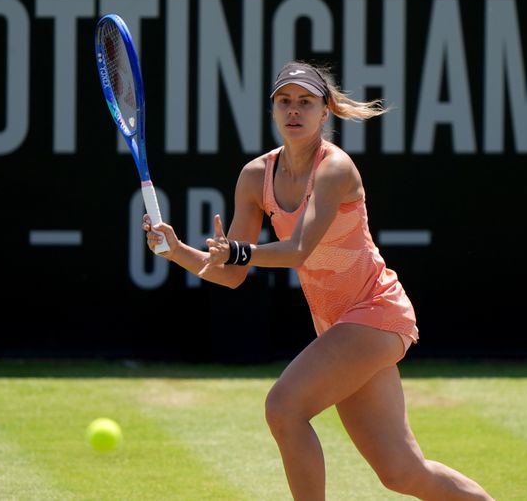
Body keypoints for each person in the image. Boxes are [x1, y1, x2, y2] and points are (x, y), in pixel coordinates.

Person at [142, 61, 493, 501]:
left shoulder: (336, 168)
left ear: (324, 112)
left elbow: (298, 250)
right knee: (402, 472)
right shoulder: (255, 177)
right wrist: (176, 250)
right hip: (339, 326)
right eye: (285, 101)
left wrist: (236, 251)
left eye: (306, 102)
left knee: (284, 408)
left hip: (377, 312)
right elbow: (231, 275)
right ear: (273, 110)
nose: (294, 110)